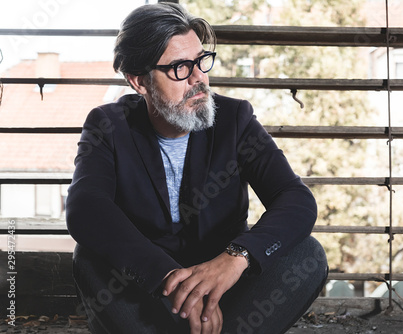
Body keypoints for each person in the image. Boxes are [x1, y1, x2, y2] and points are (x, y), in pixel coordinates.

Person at [66, 3, 328, 334]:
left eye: (201, 61)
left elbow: (295, 198)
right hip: (149, 294)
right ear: (139, 82)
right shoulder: (108, 125)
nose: (198, 79)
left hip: (229, 294)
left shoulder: (236, 120)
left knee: (308, 255)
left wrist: (236, 258)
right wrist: (169, 279)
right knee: (88, 257)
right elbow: (85, 208)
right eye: (179, 68)